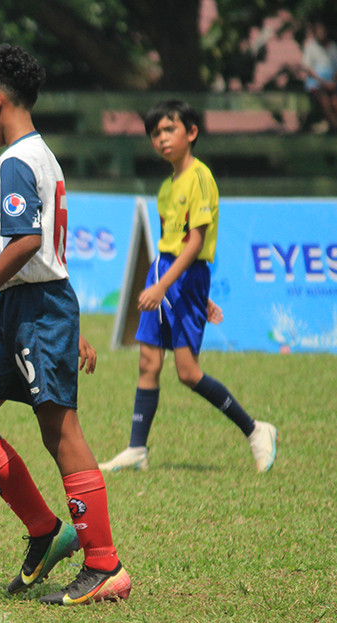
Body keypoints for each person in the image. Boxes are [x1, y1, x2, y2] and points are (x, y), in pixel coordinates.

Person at [0, 44, 131, 606]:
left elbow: (29, 241)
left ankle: (104, 565)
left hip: (35, 307)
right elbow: (47, 246)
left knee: (61, 431)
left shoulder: (16, 161)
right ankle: (43, 528)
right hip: (26, 309)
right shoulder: (40, 155)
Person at [99, 99, 278, 474]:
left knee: (187, 372)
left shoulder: (200, 178)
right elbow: (172, 242)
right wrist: (169, 285)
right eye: (155, 133)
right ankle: (137, 449)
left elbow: (195, 243)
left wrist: (172, 288)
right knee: (148, 362)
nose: (162, 138)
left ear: (192, 132)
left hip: (182, 277)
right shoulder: (167, 188)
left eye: (170, 129)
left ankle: (255, 429)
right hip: (164, 271)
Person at [301, 19, 337, 132]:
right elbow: (308, 69)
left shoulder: (333, 47)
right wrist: (323, 82)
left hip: (331, 81)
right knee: (324, 97)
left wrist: (333, 82)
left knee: (335, 99)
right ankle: (333, 123)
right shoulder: (311, 47)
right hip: (317, 82)